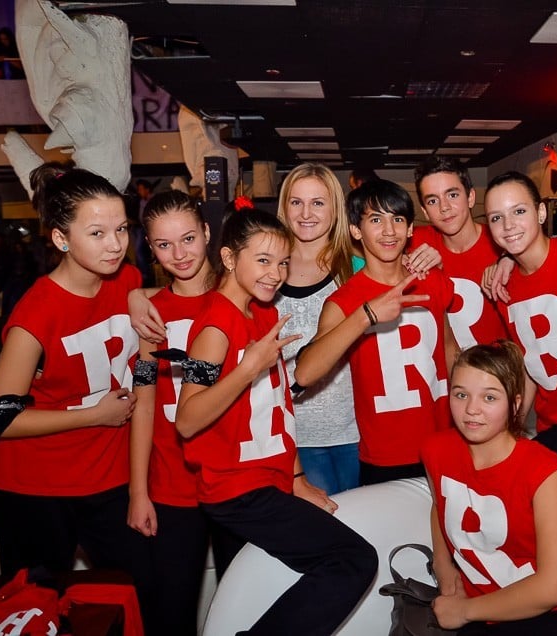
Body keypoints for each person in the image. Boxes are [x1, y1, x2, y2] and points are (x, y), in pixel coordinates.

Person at [174, 204, 377, 634]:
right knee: (353, 559)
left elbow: (277, 404)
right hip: (236, 490)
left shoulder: (263, 311)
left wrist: (297, 475)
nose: (275, 273)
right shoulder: (213, 328)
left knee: (255, 591)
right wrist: (247, 368)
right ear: (229, 258)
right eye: (263, 260)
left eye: (282, 262)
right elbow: (187, 420)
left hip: (266, 479)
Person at [0, 162, 156, 629]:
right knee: (39, 608)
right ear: (61, 240)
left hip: (105, 477)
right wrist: (93, 416)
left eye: (121, 229)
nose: (115, 243)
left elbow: (132, 285)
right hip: (34, 486)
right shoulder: (36, 315)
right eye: (96, 233)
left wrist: (138, 296)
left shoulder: (125, 278)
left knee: (134, 592)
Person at [423, 341, 557, 635]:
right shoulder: (435, 450)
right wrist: (444, 566)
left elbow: (552, 589)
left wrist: (464, 611)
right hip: (490, 607)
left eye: (489, 397)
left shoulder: (544, 470)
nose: (471, 409)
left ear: (515, 404)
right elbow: (440, 502)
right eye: (461, 394)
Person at [295, 179, 458, 485]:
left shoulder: (432, 282)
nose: (388, 231)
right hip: (385, 455)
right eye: (375, 219)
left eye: (397, 219)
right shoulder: (344, 301)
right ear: (356, 231)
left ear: (410, 229)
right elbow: (304, 374)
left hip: (444, 442)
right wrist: (366, 316)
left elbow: (451, 351)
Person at [127, 190, 216, 635]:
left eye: (187, 239)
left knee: (250, 599)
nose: (179, 254)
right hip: (171, 482)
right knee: (171, 611)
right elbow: (143, 404)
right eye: (164, 245)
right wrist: (138, 491)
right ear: (151, 247)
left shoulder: (240, 298)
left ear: (206, 233)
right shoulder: (151, 314)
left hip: (233, 480)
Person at [482, 171, 557, 459]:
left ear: (541, 212)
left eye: (519, 211)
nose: (508, 226)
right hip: (552, 427)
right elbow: (530, 362)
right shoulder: (502, 285)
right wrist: (513, 426)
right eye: (496, 218)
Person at [273, 163, 363, 495]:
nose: (306, 213)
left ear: (335, 209)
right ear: (284, 207)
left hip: (355, 431)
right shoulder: (267, 268)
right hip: (295, 434)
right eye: (296, 202)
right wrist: (138, 294)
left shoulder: (355, 268)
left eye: (318, 202)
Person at [412, 155, 508, 348]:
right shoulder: (414, 241)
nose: (444, 207)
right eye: (432, 201)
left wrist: (510, 257)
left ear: (471, 197)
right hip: (442, 374)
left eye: (452, 195)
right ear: (424, 211)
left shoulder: (503, 240)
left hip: (499, 370)